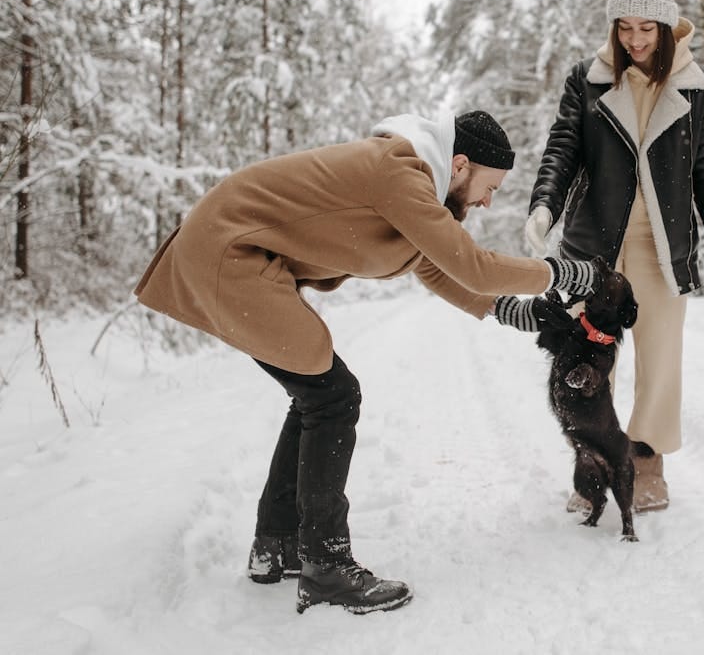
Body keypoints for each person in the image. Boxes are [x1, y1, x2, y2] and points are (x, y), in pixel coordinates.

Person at [134, 110, 598, 615]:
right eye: (491, 186)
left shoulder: (410, 181)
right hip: (228, 255)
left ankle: (278, 545)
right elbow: (473, 266)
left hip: (233, 257)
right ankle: (326, 567)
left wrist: (508, 310)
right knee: (333, 396)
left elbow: (435, 266)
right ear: (460, 164)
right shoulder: (398, 170)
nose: (490, 200)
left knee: (319, 394)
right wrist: (560, 272)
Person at [524, 0, 704, 514]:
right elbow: (563, 149)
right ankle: (592, 468)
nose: (634, 39)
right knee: (585, 365)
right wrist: (544, 206)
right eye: (624, 26)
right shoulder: (589, 79)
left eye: (646, 27)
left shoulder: (696, 88)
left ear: (668, 26)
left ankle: (647, 465)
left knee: (660, 360)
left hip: (661, 246)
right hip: (594, 248)